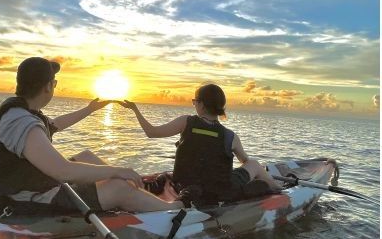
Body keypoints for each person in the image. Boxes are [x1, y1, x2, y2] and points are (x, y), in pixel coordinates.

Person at [0, 57, 183, 217]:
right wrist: (119, 170)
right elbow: (63, 171)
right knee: (119, 186)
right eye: (55, 82)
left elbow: (55, 124)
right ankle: (172, 208)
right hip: (21, 200)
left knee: (86, 156)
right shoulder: (19, 120)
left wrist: (89, 110)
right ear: (48, 86)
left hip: (28, 185)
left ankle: (131, 197)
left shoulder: (22, 112)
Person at [119, 84, 282, 207]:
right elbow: (245, 161)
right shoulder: (230, 136)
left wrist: (135, 110)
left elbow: (152, 132)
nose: (194, 104)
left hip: (185, 185)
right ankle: (278, 189)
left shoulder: (185, 122)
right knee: (254, 164)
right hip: (219, 191)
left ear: (202, 105)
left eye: (194, 101)